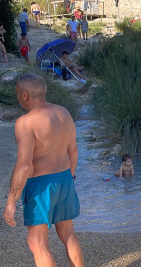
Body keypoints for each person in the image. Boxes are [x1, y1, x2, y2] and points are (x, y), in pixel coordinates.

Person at [3, 74, 84, 267]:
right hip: (64, 178)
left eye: (17, 93)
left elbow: (25, 165)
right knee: (68, 233)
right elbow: (73, 151)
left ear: (24, 95)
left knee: (37, 242)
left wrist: (11, 201)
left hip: (40, 185)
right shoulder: (64, 113)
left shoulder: (26, 122)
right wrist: (70, 177)